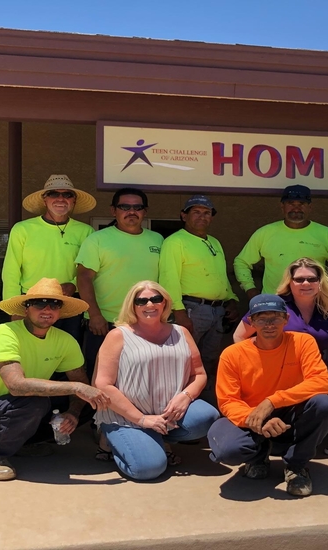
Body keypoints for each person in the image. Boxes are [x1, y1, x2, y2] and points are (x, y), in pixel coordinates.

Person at [0, 278, 110, 481]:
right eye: (40, 303)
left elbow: (82, 383)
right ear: (26, 308)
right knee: (36, 400)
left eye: (54, 304)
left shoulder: (65, 340)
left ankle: (19, 442)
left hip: (17, 405)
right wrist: (77, 387)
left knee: (90, 399)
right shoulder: (3, 334)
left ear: (60, 311)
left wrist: (73, 412)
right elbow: (16, 386)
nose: (47, 309)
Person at [233, 258, 328, 462]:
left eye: (311, 279)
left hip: (313, 379)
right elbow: (239, 336)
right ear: (290, 282)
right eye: (299, 279)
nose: (305, 284)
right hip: (275, 378)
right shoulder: (274, 306)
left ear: (320, 281)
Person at [208, 294, 328, 497]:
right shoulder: (232, 354)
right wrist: (257, 421)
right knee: (229, 450)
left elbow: (321, 382)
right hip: (251, 415)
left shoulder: (303, 342)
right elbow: (228, 401)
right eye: (261, 319)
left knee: (324, 404)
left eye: (275, 318)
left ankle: (296, 466)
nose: (269, 324)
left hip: (291, 413)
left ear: (286, 320)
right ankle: (257, 457)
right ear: (251, 322)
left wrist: (272, 401)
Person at [92, 281, 220, 480]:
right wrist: (142, 419)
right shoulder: (118, 335)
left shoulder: (181, 332)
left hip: (167, 413)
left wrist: (186, 396)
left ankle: (156, 436)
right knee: (148, 469)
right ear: (132, 305)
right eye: (141, 301)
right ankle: (110, 438)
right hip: (127, 418)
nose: (149, 305)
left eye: (156, 299)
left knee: (206, 416)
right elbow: (103, 385)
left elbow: (199, 374)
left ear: (164, 303)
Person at [159, 195, 239, 401]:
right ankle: (177, 403)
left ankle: (203, 402)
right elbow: (169, 278)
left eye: (206, 213)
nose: (202, 217)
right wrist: (179, 312)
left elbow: (220, 276)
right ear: (183, 215)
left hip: (216, 310)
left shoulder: (214, 242)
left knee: (209, 360)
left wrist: (230, 299)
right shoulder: (175, 241)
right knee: (185, 360)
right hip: (192, 308)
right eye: (196, 212)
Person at [76, 187, 163, 375]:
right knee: (101, 376)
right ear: (113, 210)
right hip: (105, 323)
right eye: (124, 207)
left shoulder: (157, 239)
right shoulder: (97, 240)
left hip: (145, 322)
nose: (131, 211)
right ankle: (98, 406)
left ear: (145, 212)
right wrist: (94, 315)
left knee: (140, 375)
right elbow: (83, 278)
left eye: (137, 207)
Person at [2, 174, 96, 342]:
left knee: (66, 353)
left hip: (69, 303)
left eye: (67, 194)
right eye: (54, 194)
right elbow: (11, 271)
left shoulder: (86, 232)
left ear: (74, 200)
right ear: (45, 199)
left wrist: (73, 284)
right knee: (30, 352)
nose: (61, 198)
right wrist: (14, 310)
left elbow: (90, 270)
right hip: (31, 302)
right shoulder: (23, 229)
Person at [233, 184, 328, 303]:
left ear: (310, 207)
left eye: (301, 204)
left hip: (314, 306)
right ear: (282, 206)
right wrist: (250, 290)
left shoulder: (326, 235)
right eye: (291, 203)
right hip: (274, 305)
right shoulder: (265, 233)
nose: (296, 208)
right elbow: (241, 262)